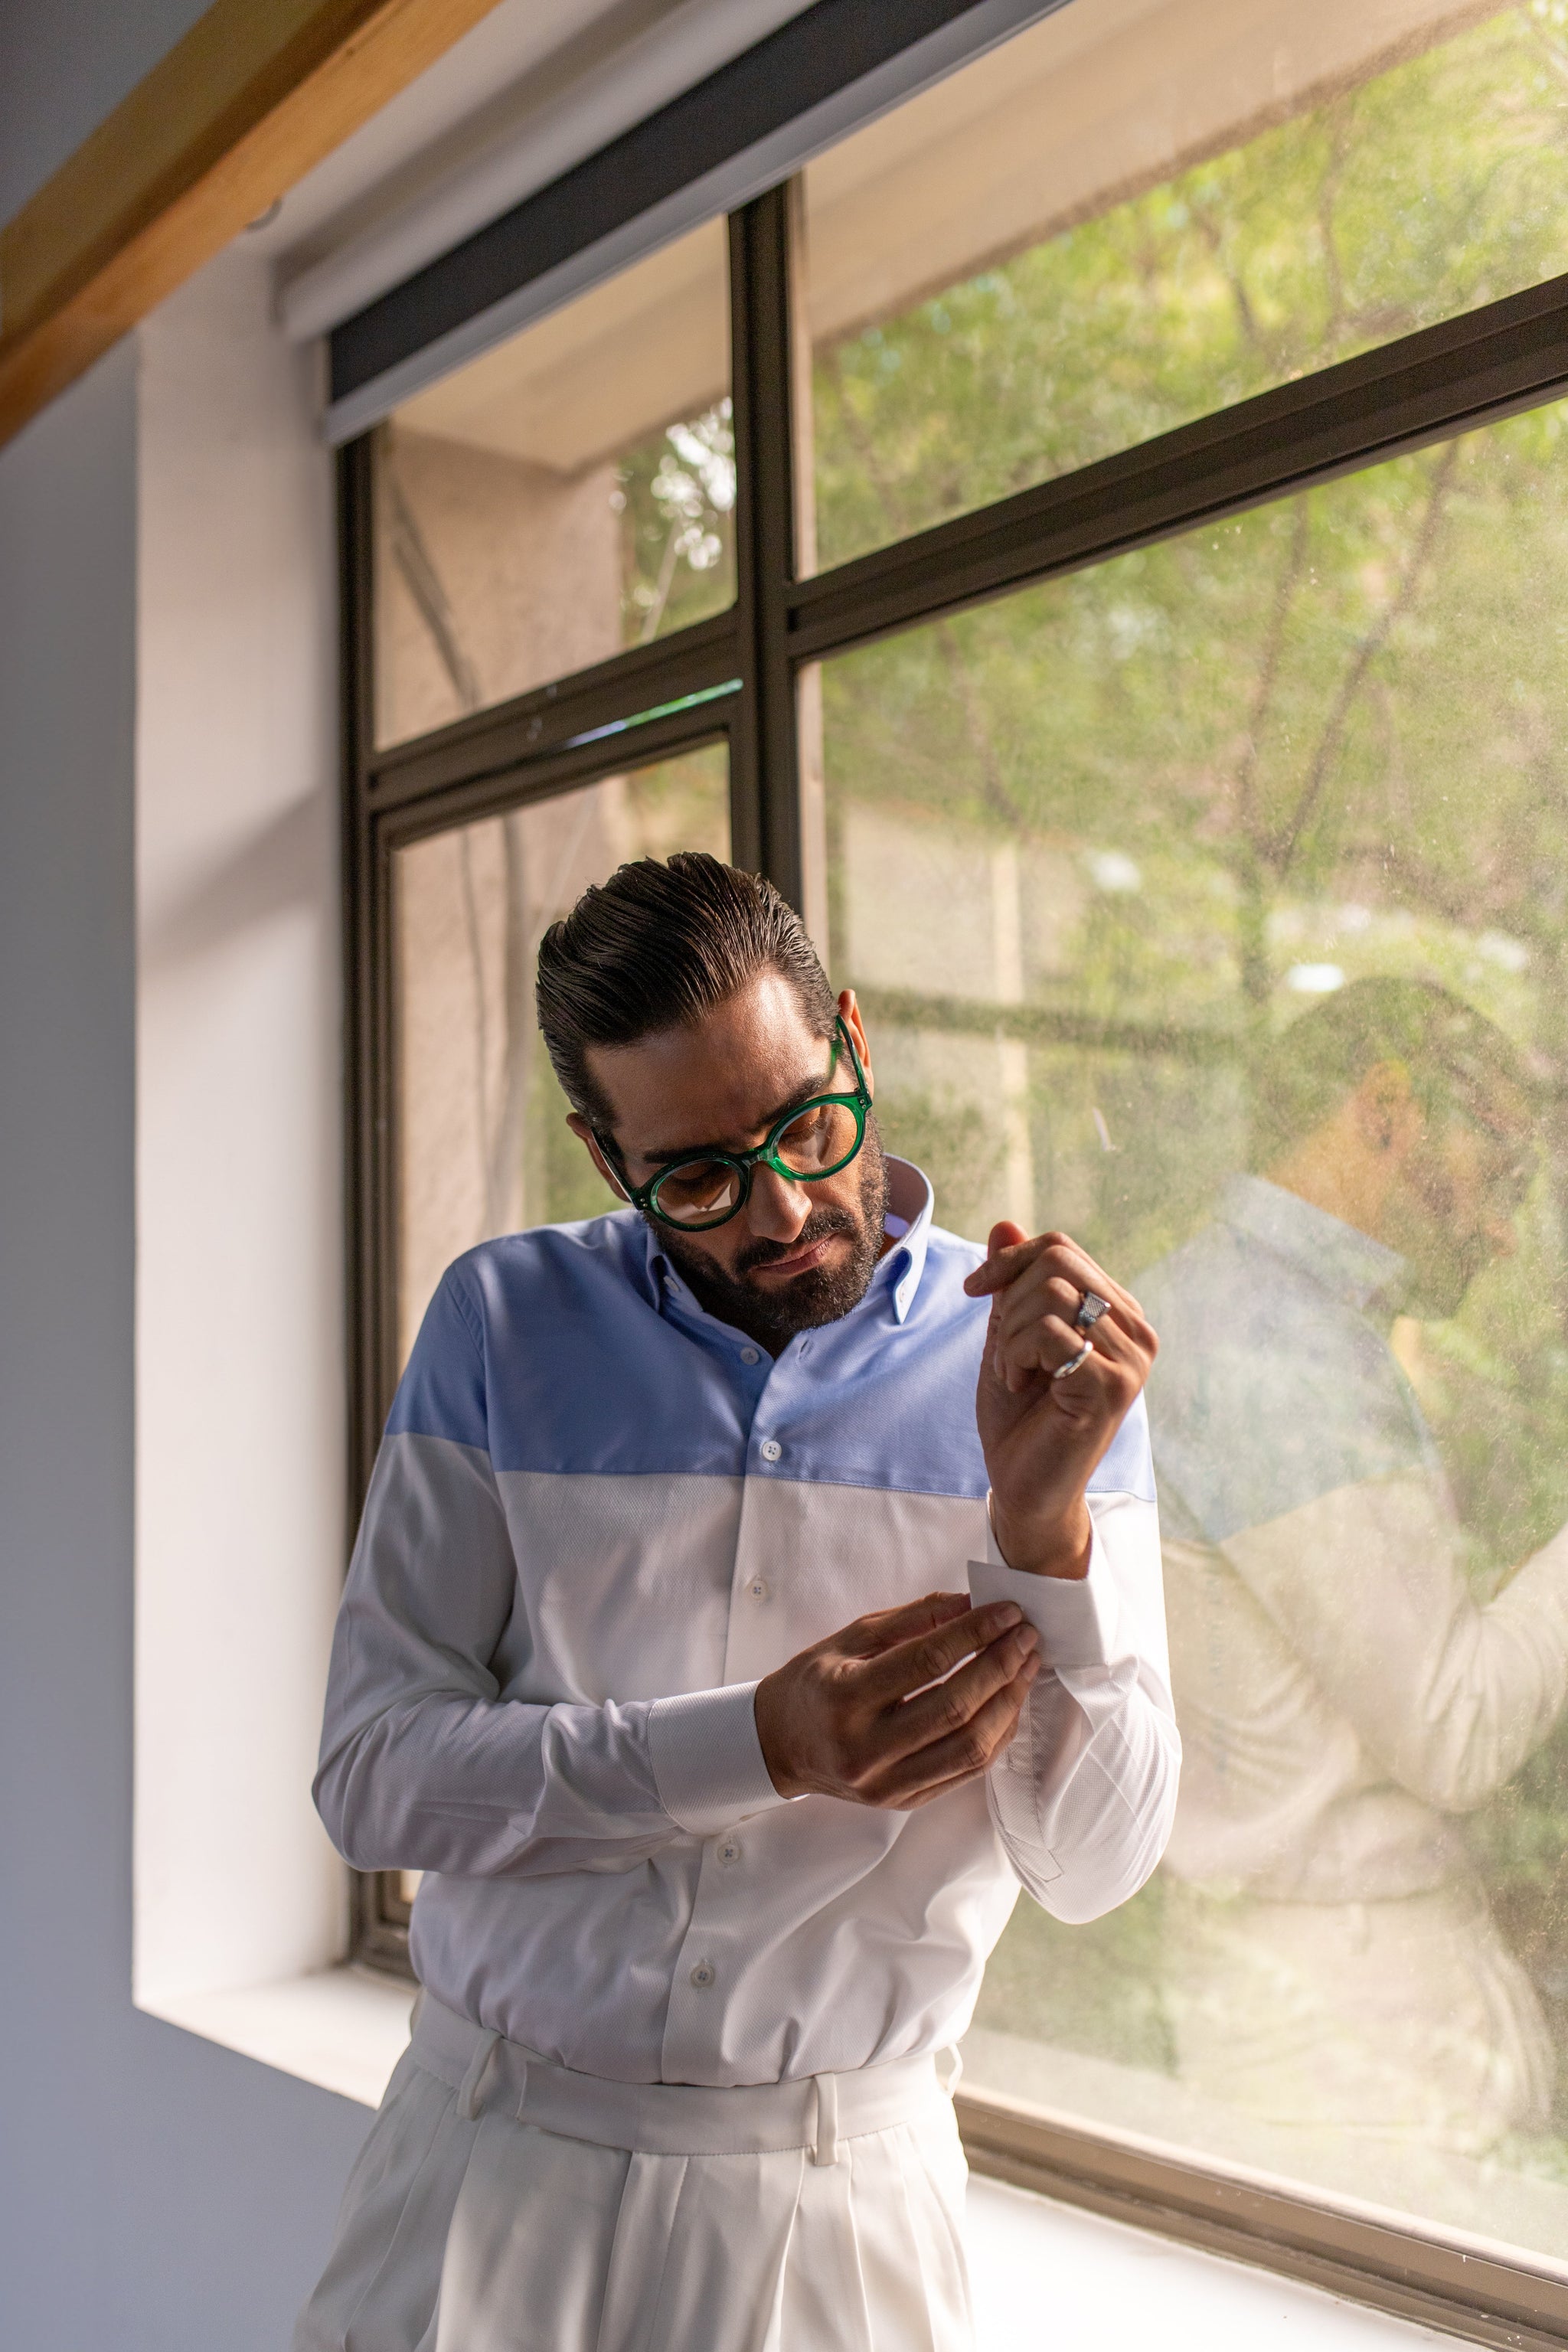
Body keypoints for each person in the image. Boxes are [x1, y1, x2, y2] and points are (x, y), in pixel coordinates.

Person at [295, 852, 1177, 2352]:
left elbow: (1094, 1867)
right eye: (697, 1175)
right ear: (600, 1150)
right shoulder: (499, 1326)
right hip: (480, 2173)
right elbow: (374, 1780)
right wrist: (758, 1744)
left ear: (853, 1037)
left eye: (807, 1126)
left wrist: (1038, 1530)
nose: (778, 1212)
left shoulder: (1041, 1375)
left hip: (837, 2217)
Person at [1140, 977, 1568, 2155]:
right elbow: (1454, 1726)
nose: (1500, 1232)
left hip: (1310, 2002)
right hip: (1362, 2040)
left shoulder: (1222, 1312)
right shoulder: (1276, 1352)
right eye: (1503, 1181)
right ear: (1387, 1108)